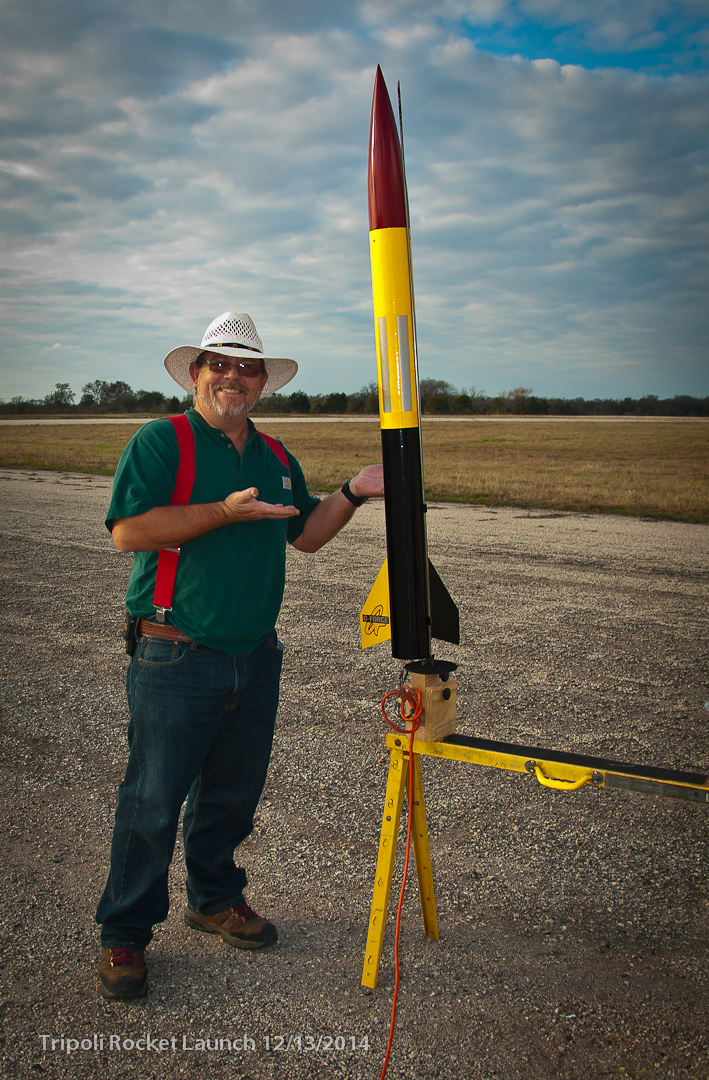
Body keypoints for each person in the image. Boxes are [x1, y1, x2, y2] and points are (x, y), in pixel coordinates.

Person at [96, 310, 383, 1000]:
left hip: (254, 655)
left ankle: (214, 897)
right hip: (175, 652)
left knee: (231, 796)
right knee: (152, 801)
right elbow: (129, 532)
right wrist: (222, 511)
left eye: (247, 367)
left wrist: (352, 493)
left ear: (261, 382)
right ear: (196, 374)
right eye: (219, 365)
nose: (234, 377)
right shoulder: (162, 442)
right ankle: (124, 935)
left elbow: (305, 536)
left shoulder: (277, 456)